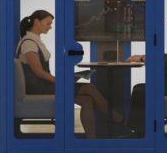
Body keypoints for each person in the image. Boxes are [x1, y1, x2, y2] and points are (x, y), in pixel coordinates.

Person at [16, 10, 118, 138]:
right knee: (89, 88)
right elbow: (38, 72)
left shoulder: (34, 41)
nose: (50, 27)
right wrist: (60, 81)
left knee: (87, 101)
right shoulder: (29, 43)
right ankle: (118, 119)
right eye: (48, 23)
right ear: (36, 22)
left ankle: (92, 138)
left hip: (44, 84)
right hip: (39, 87)